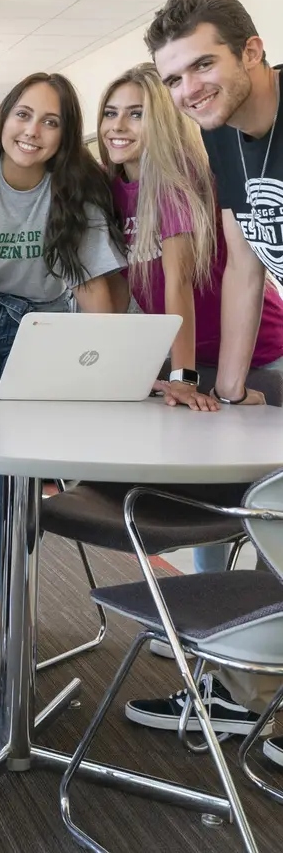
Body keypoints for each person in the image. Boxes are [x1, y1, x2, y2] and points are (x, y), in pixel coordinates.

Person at [124, 0, 283, 763]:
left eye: (203, 66)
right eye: (175, 78)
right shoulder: (222, 136)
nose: (189, 90)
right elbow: (248, 266)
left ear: (252, 52)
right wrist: (225, 392)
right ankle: (246, 694)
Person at [0, 72, 126, 682]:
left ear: (67, 134)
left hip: (49, 331)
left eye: (51, 122)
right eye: (23, 115)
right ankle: (0, 600)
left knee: (21, 475)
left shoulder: (79, 182)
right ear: (2, 117)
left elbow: (95, 285)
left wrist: (104, 375)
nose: (33, 132)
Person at [98, 61, 283, 575]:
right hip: (192, 353)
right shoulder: (112, 188)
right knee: (207, 484)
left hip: (255, 349)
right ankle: (214, 600)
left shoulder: (175, 179)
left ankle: (262, 618)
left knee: (266, 495)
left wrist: (183, 377)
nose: (118, 126)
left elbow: (177, 283)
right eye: (111, 113)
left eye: (136, 114)